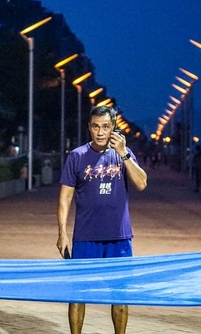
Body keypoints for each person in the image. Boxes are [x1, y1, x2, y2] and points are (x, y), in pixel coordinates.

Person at [57, 106, 148, 334]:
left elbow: (141, 183)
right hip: (85, 237)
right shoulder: (77, 156)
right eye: (96, 126)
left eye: (105, 127)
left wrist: (124, 153)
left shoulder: (123, 154)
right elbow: (65, 198)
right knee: (78, 294)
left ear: (113, 128)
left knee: (120, 294)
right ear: (89, 127)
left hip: (119, 237)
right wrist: (62, 233)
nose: (100, 132)